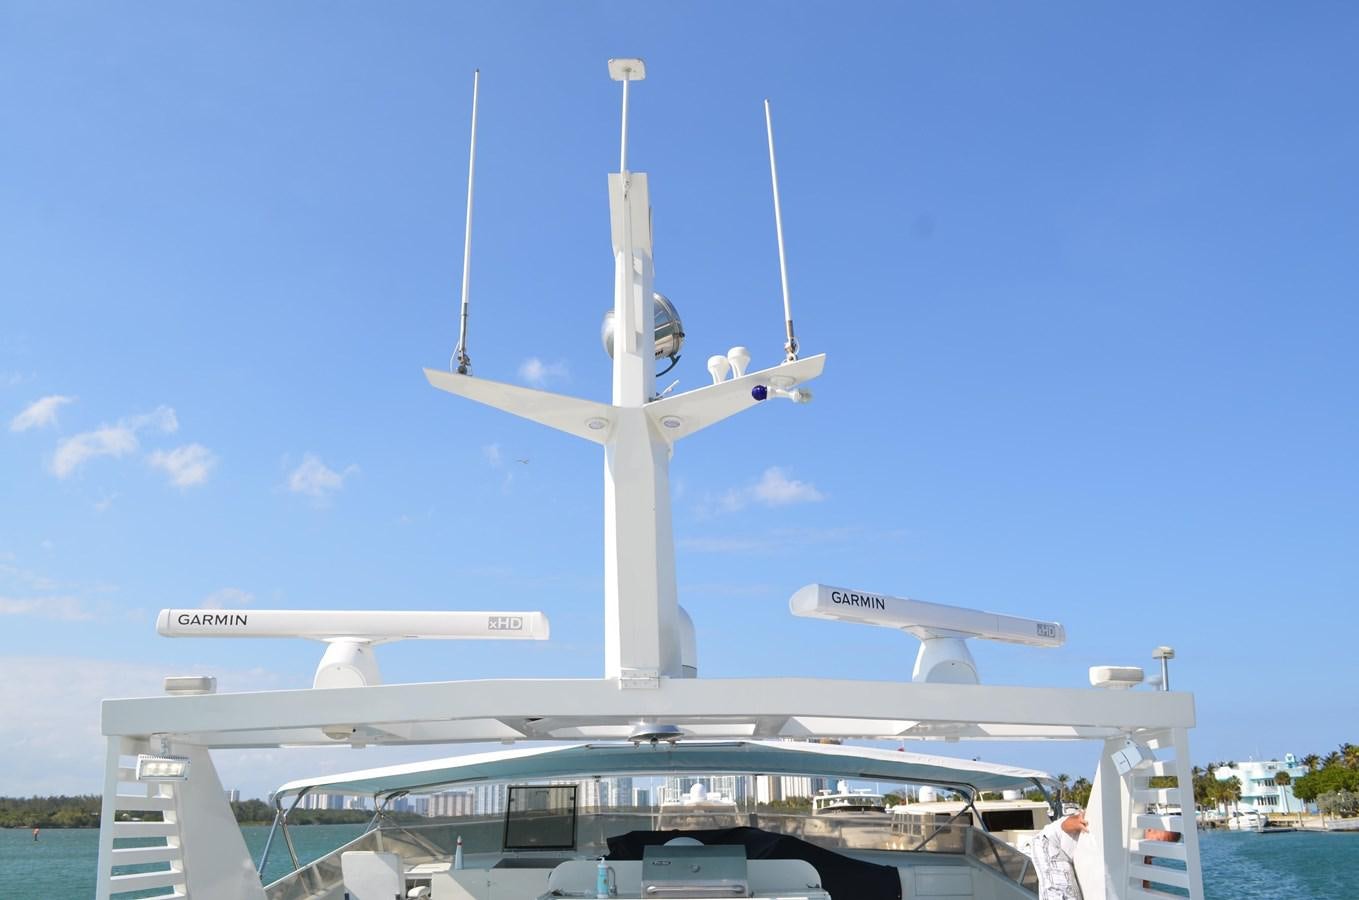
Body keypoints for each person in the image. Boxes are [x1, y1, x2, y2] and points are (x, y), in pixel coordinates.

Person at [1031, 809, 1087, 899]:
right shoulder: (1082, 818)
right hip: (1048, 843)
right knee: (1064, 892)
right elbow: (1065, 824)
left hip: (1058, 848)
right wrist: (1079, 821)